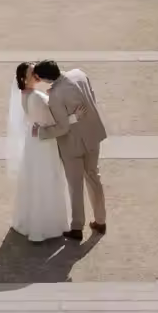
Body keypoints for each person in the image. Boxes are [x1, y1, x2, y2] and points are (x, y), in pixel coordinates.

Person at [32, 57, 108, 241]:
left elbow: (62, 127)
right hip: (92, 134)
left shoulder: (55, 96)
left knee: (75, 186)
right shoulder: (79, 74)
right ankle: (101, 220)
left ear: (46, 79)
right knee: (94, 178)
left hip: (72, 145)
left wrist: (41, 132)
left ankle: (77, 227)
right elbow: (91, 97)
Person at [7, 61, 71, 243]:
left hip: (33, 141)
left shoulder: (24, 95)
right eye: (32, 73)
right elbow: (52, 121)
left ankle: (33, 221)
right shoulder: (36, 97)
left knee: (34, 180)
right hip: (44, 143)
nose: (36, 74)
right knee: (47, 180)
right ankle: (46, 225)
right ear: (24, 78)